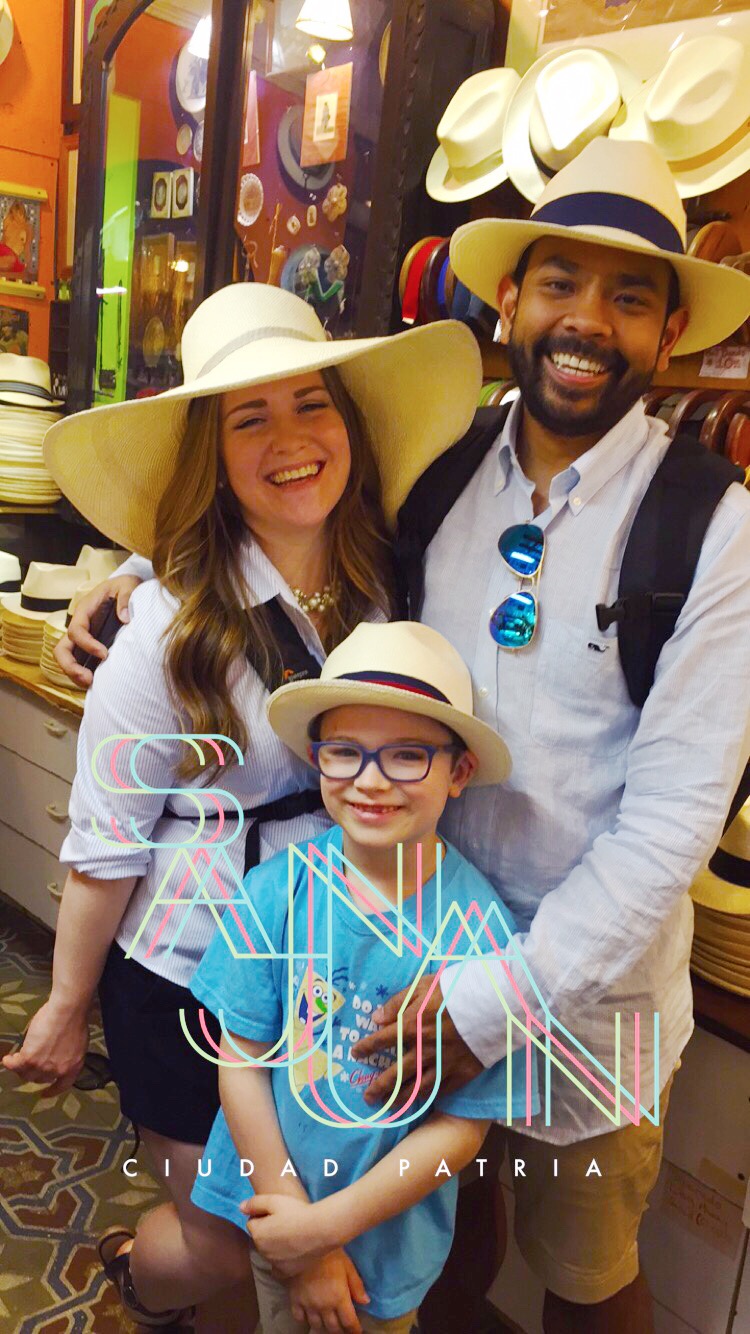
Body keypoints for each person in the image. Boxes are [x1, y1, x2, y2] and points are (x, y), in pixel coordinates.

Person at [54, 139, 750, 1333]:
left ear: (672, 328)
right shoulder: (444, 471)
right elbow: (280, 502)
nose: (587, 321)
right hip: (397, 963)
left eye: (629, 296)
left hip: (583, 990)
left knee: (587, 1276)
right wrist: (135, 579)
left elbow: (673, 822)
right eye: (558, 285)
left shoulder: (715, 526)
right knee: (425, 1250)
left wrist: (496, 997)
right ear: (511, 304)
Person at [3, 282, 480, 1331]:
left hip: (335, 964)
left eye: (311, 403)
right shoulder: (167, 627)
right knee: (227, 1237)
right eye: (248, 417)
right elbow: (104, 844)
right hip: (188, 971)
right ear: (211, 454)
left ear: (349, 423)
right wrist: (67, 1002)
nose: (292, 438)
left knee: (308, 1202)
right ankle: (142, 1270)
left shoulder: (386, 576)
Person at [99, 620, 535, 1334]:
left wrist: (325, 1229)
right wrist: (299, 1236)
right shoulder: (277, 891)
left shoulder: (483, 934)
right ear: (317, 758)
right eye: (346, 753)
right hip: (275, 1207)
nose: (370, 780)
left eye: (407, 756)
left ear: (458, 773)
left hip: (386, 1242)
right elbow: (239, 1063)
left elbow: (461, 1127)